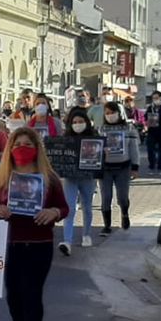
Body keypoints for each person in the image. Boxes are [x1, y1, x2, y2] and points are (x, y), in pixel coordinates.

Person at [0, 127, 69, 321]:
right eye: (17, 144)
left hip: (40, 243)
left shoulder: (49, 178)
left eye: (28, 144)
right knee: (14, 291)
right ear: (9, 148)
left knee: (33, 292)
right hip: (9, 243)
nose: (22, 149)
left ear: (37, 149)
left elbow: (64, 208)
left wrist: (53, 212)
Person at [53, 108, 101, 255]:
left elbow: (101, 155)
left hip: (88, 178)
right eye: (74, 122)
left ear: (86, 122)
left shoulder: (94, 137)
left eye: (80, 121)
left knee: (87, 206)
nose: (77, 124)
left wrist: (102, 154)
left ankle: (86, 234)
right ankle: (67, 241)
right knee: (70, 208)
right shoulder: (65, 138)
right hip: (70, 178)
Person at [97, 102, 140, 235]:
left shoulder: (128, 128)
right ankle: (107, 225)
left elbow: (134, 148)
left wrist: (135, 167)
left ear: (119, 113)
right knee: (106, 197)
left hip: (123, 167)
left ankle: (125, 213)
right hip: (106, 168)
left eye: (113, 112)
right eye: (107, 113)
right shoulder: (100, 129)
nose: (110, 116)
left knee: (122, 196)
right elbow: (94, 148)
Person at [145, 91, 161, 172]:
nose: (155, 100)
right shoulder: (150, 107)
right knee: (150, 149)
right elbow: (145, 117)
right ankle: (152, 163)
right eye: (153, 98)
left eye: (157, 98)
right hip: (151, 131)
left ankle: (160, 165)